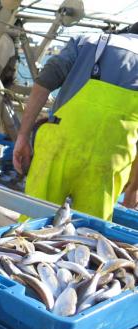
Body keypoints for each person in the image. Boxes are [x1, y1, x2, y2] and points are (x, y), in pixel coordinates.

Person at [12, 24, 138, 220]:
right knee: (90, 236)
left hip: (57, 150)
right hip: (108, 164)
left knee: (31, 227)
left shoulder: (88, 41)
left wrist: (22, 136)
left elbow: (44, 82)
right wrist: (132, 189)